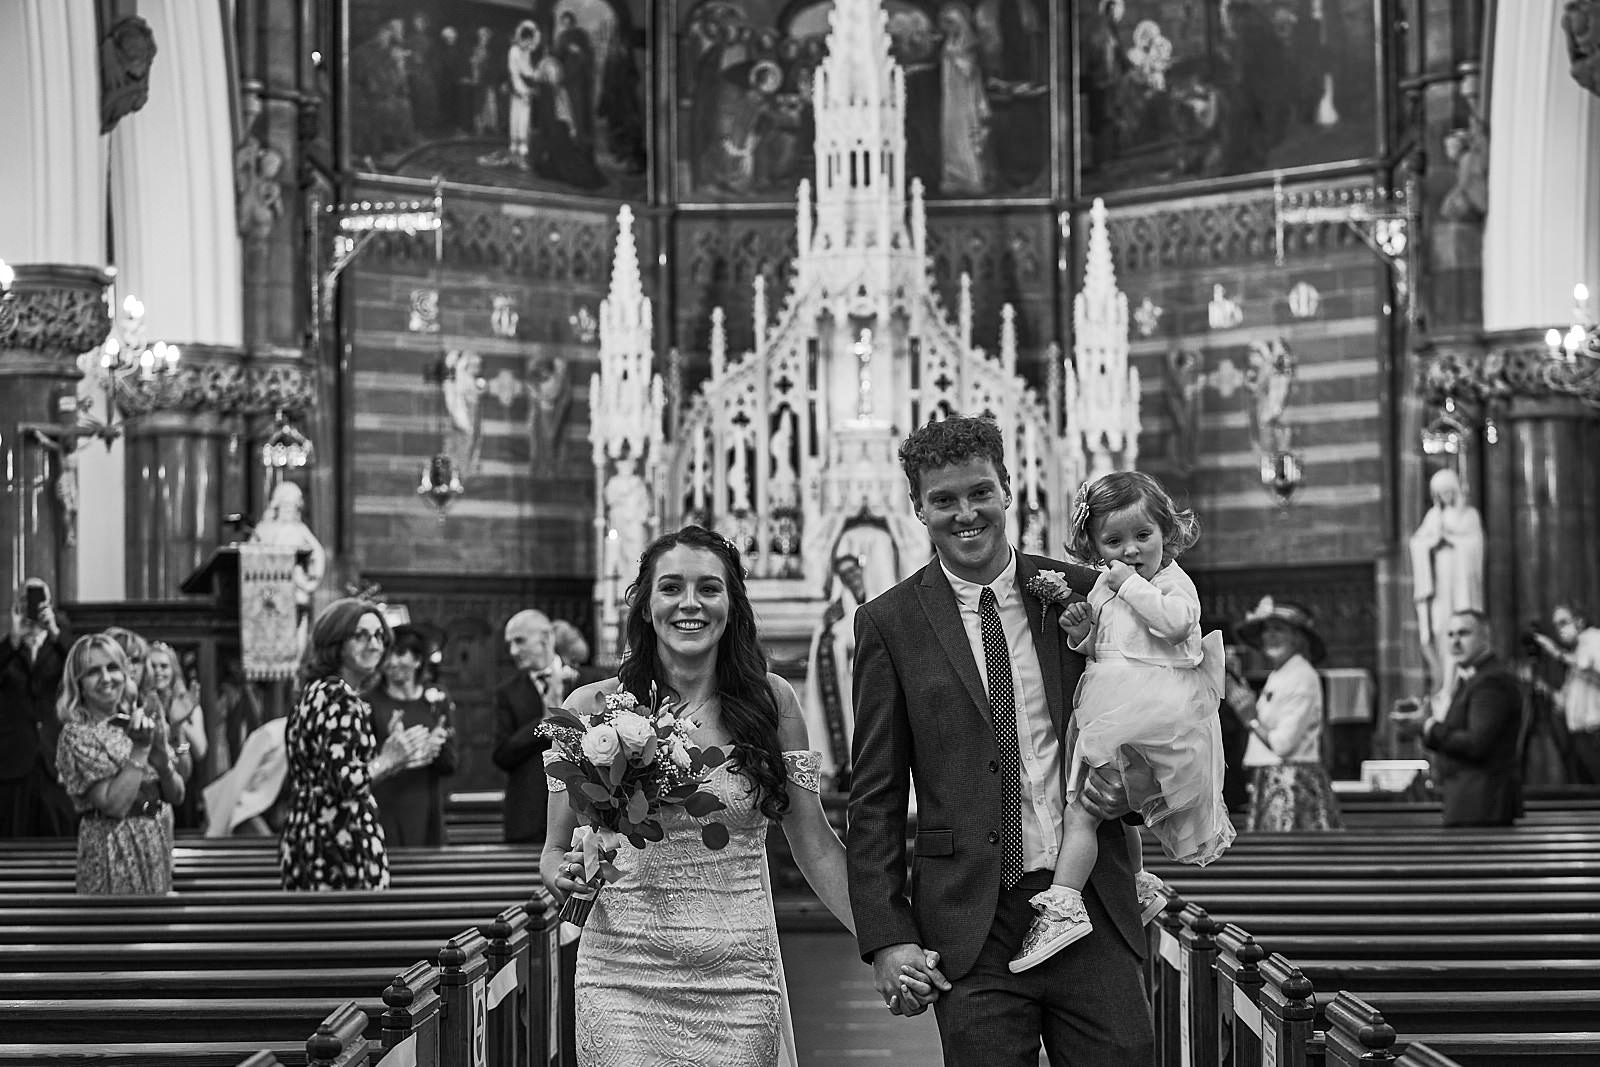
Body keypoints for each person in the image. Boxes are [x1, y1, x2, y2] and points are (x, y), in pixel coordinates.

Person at [848, 415, 1155, 1065]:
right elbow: (874, 796)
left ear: (1008, 489)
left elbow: (1144, 725)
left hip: (1089, 902)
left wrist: (1135, 788)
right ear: (918, 508)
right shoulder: (889, 623)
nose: (966, 513)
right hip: (971, 922)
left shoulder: (1084, 594)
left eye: (980, 492)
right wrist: (887, 936)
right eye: (944, 499)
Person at [541, 525, 868, 1066]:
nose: (689, 603)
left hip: (739, 979)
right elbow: (554, 850)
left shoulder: (773, 703)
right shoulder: (590, 709)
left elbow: (814, 843)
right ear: (646, 605)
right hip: (621, 977)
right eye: (671, 587)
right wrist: (563, 874)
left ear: (732, 604)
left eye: (709, 589)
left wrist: (887, 941)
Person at [1009, 471, 1234, 973]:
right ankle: (1136, 883)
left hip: (1154, 709)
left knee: (1083, 810)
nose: (1130, 550)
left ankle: (1064, 904)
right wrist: (1082, 633)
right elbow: (1109, 646)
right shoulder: (1105, 586)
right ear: (1094, 545)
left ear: (1166, 532)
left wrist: (1127, 583)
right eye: (1114, 541)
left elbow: (1175, 624)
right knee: (1108, 808)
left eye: (1142, 535)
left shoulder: (1171, 580)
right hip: (1112, 702)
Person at [279, 599, 434, 890]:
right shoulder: (340, 696)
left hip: (309, 831)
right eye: (361, 635)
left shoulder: (316, 691)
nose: (373, 644)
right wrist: (387, 759)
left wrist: (393, 759)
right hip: (338, 843)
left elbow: (327, 773)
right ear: (335, 641)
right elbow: (345, 781)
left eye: (379, 636)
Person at [54, 633, 183, 894]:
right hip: (112, 849)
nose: (106, 678)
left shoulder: (138, 720)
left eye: (112, 668)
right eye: (93, 672)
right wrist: (141, 750)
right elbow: (114, 805)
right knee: (118, 919)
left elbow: (176, 796)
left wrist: (163, 764)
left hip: (154, 843)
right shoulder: (78, 733)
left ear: (125, 673)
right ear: (79, 683)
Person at [1395, 609, 1523, 826]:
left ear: (1485, 637)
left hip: (1482, 804)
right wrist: (1424, 726)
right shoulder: (1474, 678)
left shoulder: (1491, 681)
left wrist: (1428, 726)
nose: (1455, 642)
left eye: (1464, 633)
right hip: (1470, 802)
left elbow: (1476, 744)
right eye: (1450, 634)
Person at [1227, 598, 1343, 831]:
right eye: (1266, 630)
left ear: (1297, 638)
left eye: (1278, 629)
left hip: (1291, 784)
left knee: (1286, 847)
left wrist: (1250, 719)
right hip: (1274, 779)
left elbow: (1283, 744)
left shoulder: (1302, 675)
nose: (1269, 636)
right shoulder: (1282, 673)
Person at [369, 625, 457, 847]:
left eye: (400, 654)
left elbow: (451, 765)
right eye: (387, 654)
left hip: (425, 804)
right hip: (384, 804)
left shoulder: (436, 699)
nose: (392, 662)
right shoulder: (368, 702)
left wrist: (438, 748)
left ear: (417, 660)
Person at [1, 579, 74, 836]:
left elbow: (82, 669)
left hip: (55, 762)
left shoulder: (61, 647)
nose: (31, 605)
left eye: (39, 599)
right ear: (16, 604)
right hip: (12, 766)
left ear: (50, 605)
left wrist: (55, 632)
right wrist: (13, 640)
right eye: (25, 599)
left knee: (60, 842)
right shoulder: (7, 649)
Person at [494, 609, 569, 845]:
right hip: (528, 817)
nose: (513, 651)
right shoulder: (507, 692)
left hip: (581, 815)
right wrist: (542, 725)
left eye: (519, 641)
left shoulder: (587, 681)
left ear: (545, 638)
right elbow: (501, 755)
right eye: (510, 644)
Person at [1408, 468, 1485, 691]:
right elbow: (1417, 543)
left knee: (1462, 628)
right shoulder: (1434, 516)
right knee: (1439, 628)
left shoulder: (1469, 515)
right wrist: (1433, 543)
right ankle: (1443, 682)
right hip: (1440, 583)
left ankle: (1457, 684)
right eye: (1440, 494)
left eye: (1448, 492)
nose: (1445, 497)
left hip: (1461, 585)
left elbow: (1476, 545)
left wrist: (1452, 539)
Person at [801, 555, 868, 790]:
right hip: (847, 688)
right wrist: (849, 648)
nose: (853, 577)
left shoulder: (882, 600)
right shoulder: (834, 615)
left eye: (855, 571)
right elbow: (828, 648)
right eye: (846, 574)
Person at [145, 641, 209, 830]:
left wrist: (179, 724)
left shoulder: (187, 702)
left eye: (164, 666)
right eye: (153, 666)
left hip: (182, 786)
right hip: (149, 789)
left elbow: (201, 750)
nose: (158, 671)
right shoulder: (139, 704)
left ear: (173, 670)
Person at [1536, 603, 1600, 783]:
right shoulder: (1575, 653)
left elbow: (1594, 671)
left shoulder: (1594, 639)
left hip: (1595, 733)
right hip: (1581, 737)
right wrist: (1543, 688)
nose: (1560, 630)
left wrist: (1557, 653)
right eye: (1556, 625)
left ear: (1579, 621)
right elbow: (1564, 703)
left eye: (1563, 623)